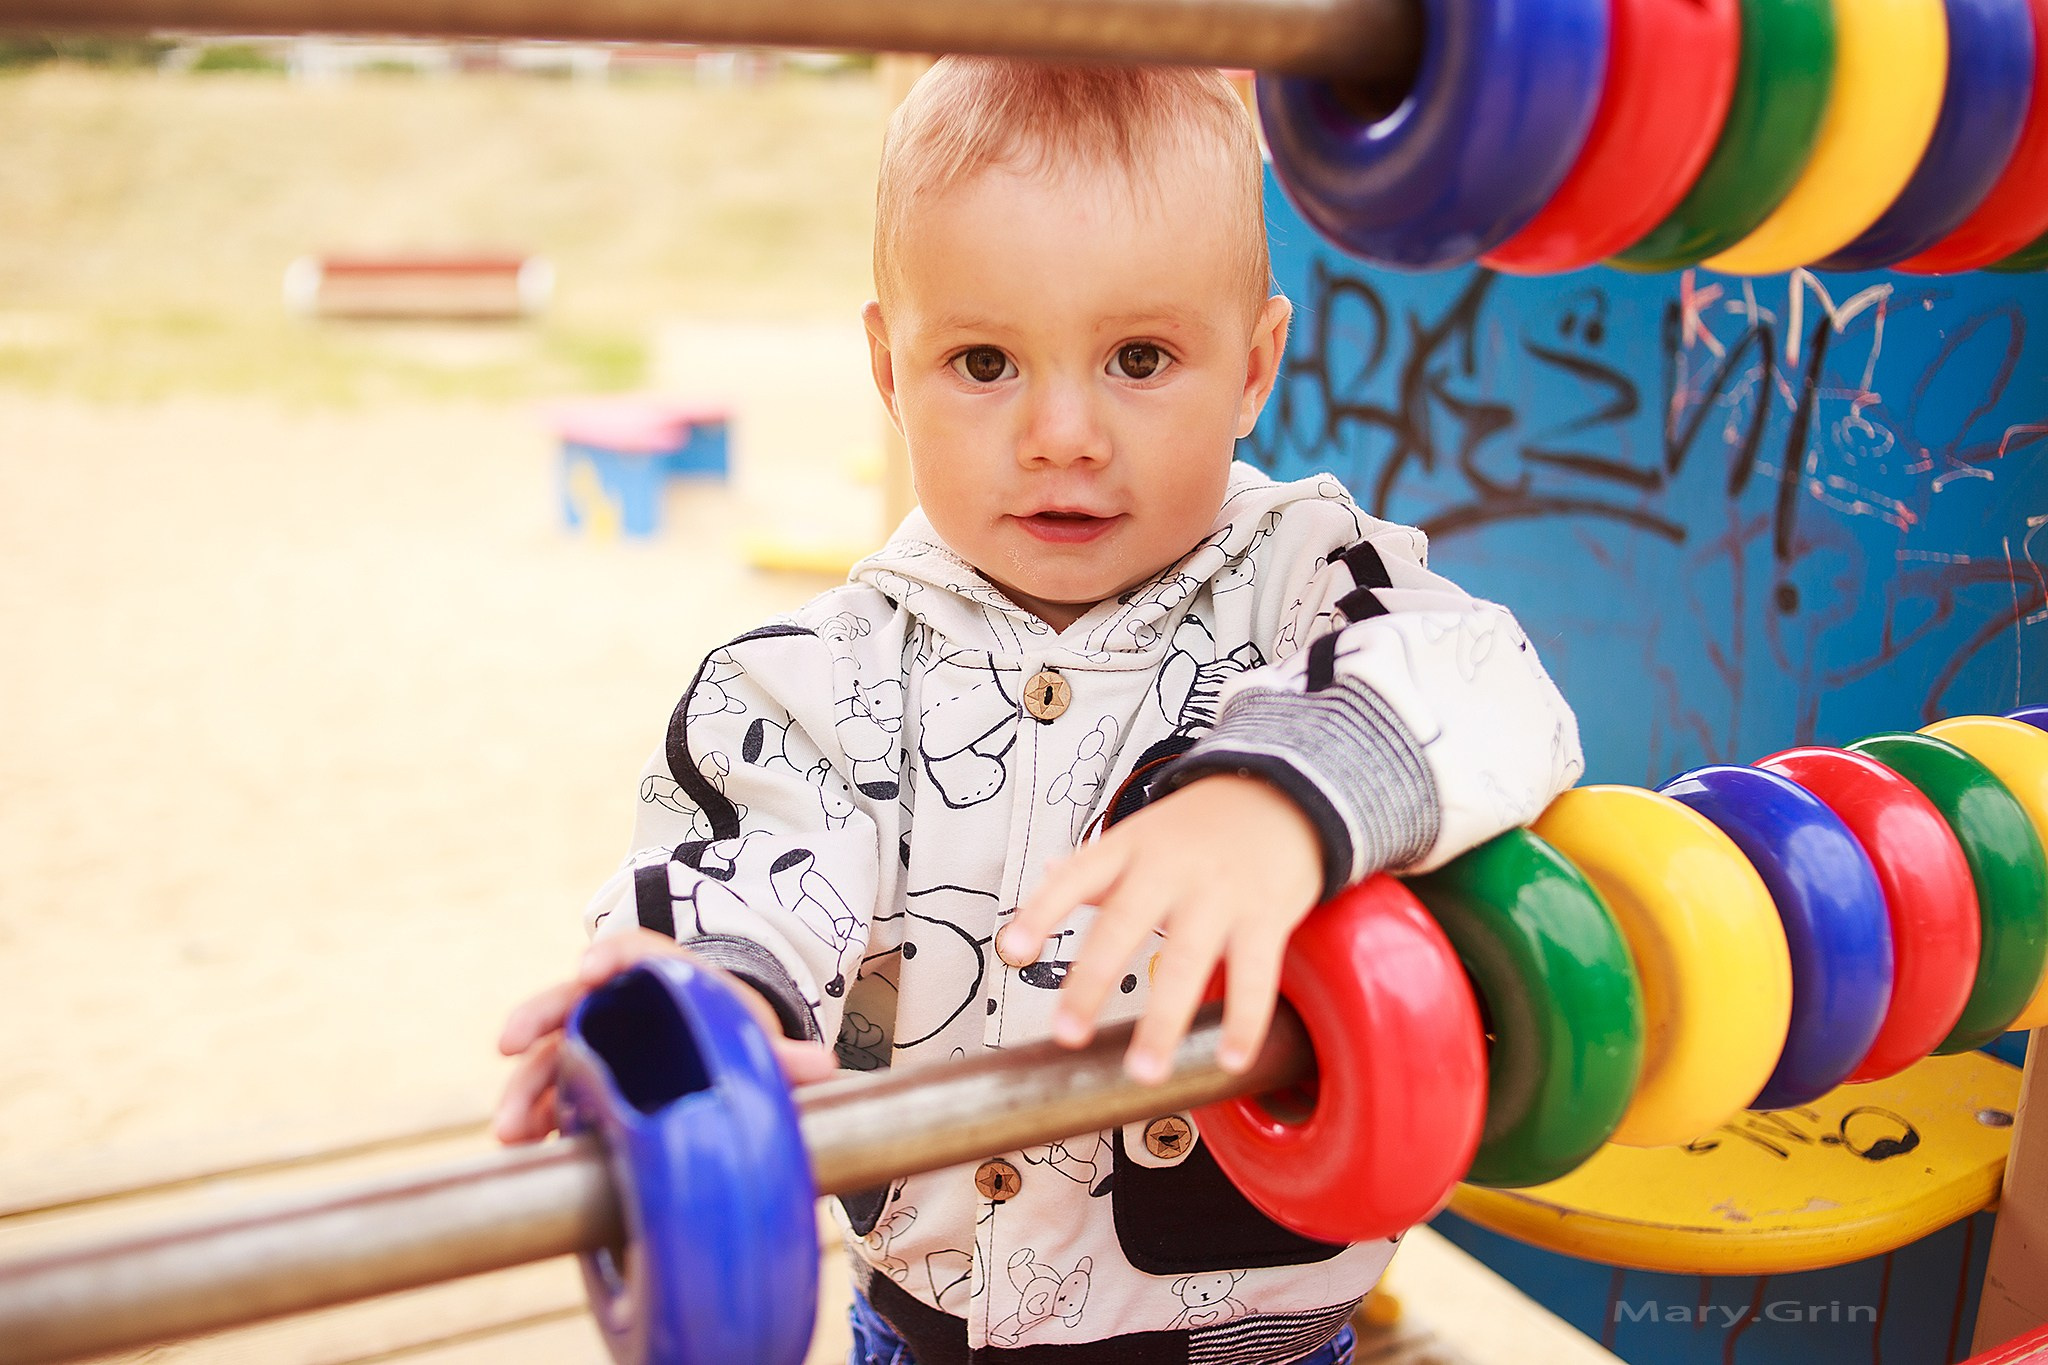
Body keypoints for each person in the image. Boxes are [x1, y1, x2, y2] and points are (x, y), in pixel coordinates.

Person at [496, 58, 1583, 1365]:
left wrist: (1285, 798)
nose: (1062, 433)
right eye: (984, 362)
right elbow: (753, 869)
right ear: (889, 369)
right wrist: (703, 1001)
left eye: (1139, 358)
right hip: (925, 1333)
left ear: (1252, 368)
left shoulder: (1312, 589)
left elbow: (1498, 689)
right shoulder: (822, 678)